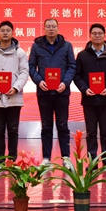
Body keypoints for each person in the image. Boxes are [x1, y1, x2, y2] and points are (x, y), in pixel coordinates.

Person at [29, 18, 76, 160]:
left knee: (63, 125)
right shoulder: (36, 46)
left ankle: (66, 158)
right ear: (44, 29)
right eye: (48, 26)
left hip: (62, 92)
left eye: (53, 26)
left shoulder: (67, 46)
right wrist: (39, 81)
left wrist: (65, 83)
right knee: (46, 126)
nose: (51, 29)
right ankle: (46, 158)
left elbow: (72, 66)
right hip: (44, 92)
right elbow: (31, 67)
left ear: (58, 29)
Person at [73, 23, 106, 161]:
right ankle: (92, 160)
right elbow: (77, 75)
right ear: (90, 36)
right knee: (91, 132)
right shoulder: (82, 55)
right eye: (94, 33)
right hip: (89, 99)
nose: (97, 36)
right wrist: (84, 89)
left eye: (100, 33)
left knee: (105, 132)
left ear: (104, 35)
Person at [0, 21, 29, 159]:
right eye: (2, 30)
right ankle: (0, 160)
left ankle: (12, 159)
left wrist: (16, 87)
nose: (5, 33)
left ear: (13, 33)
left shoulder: (19, 52)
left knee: (13, 130)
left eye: (8, 30)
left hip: (14, 97)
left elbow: (24, 72)